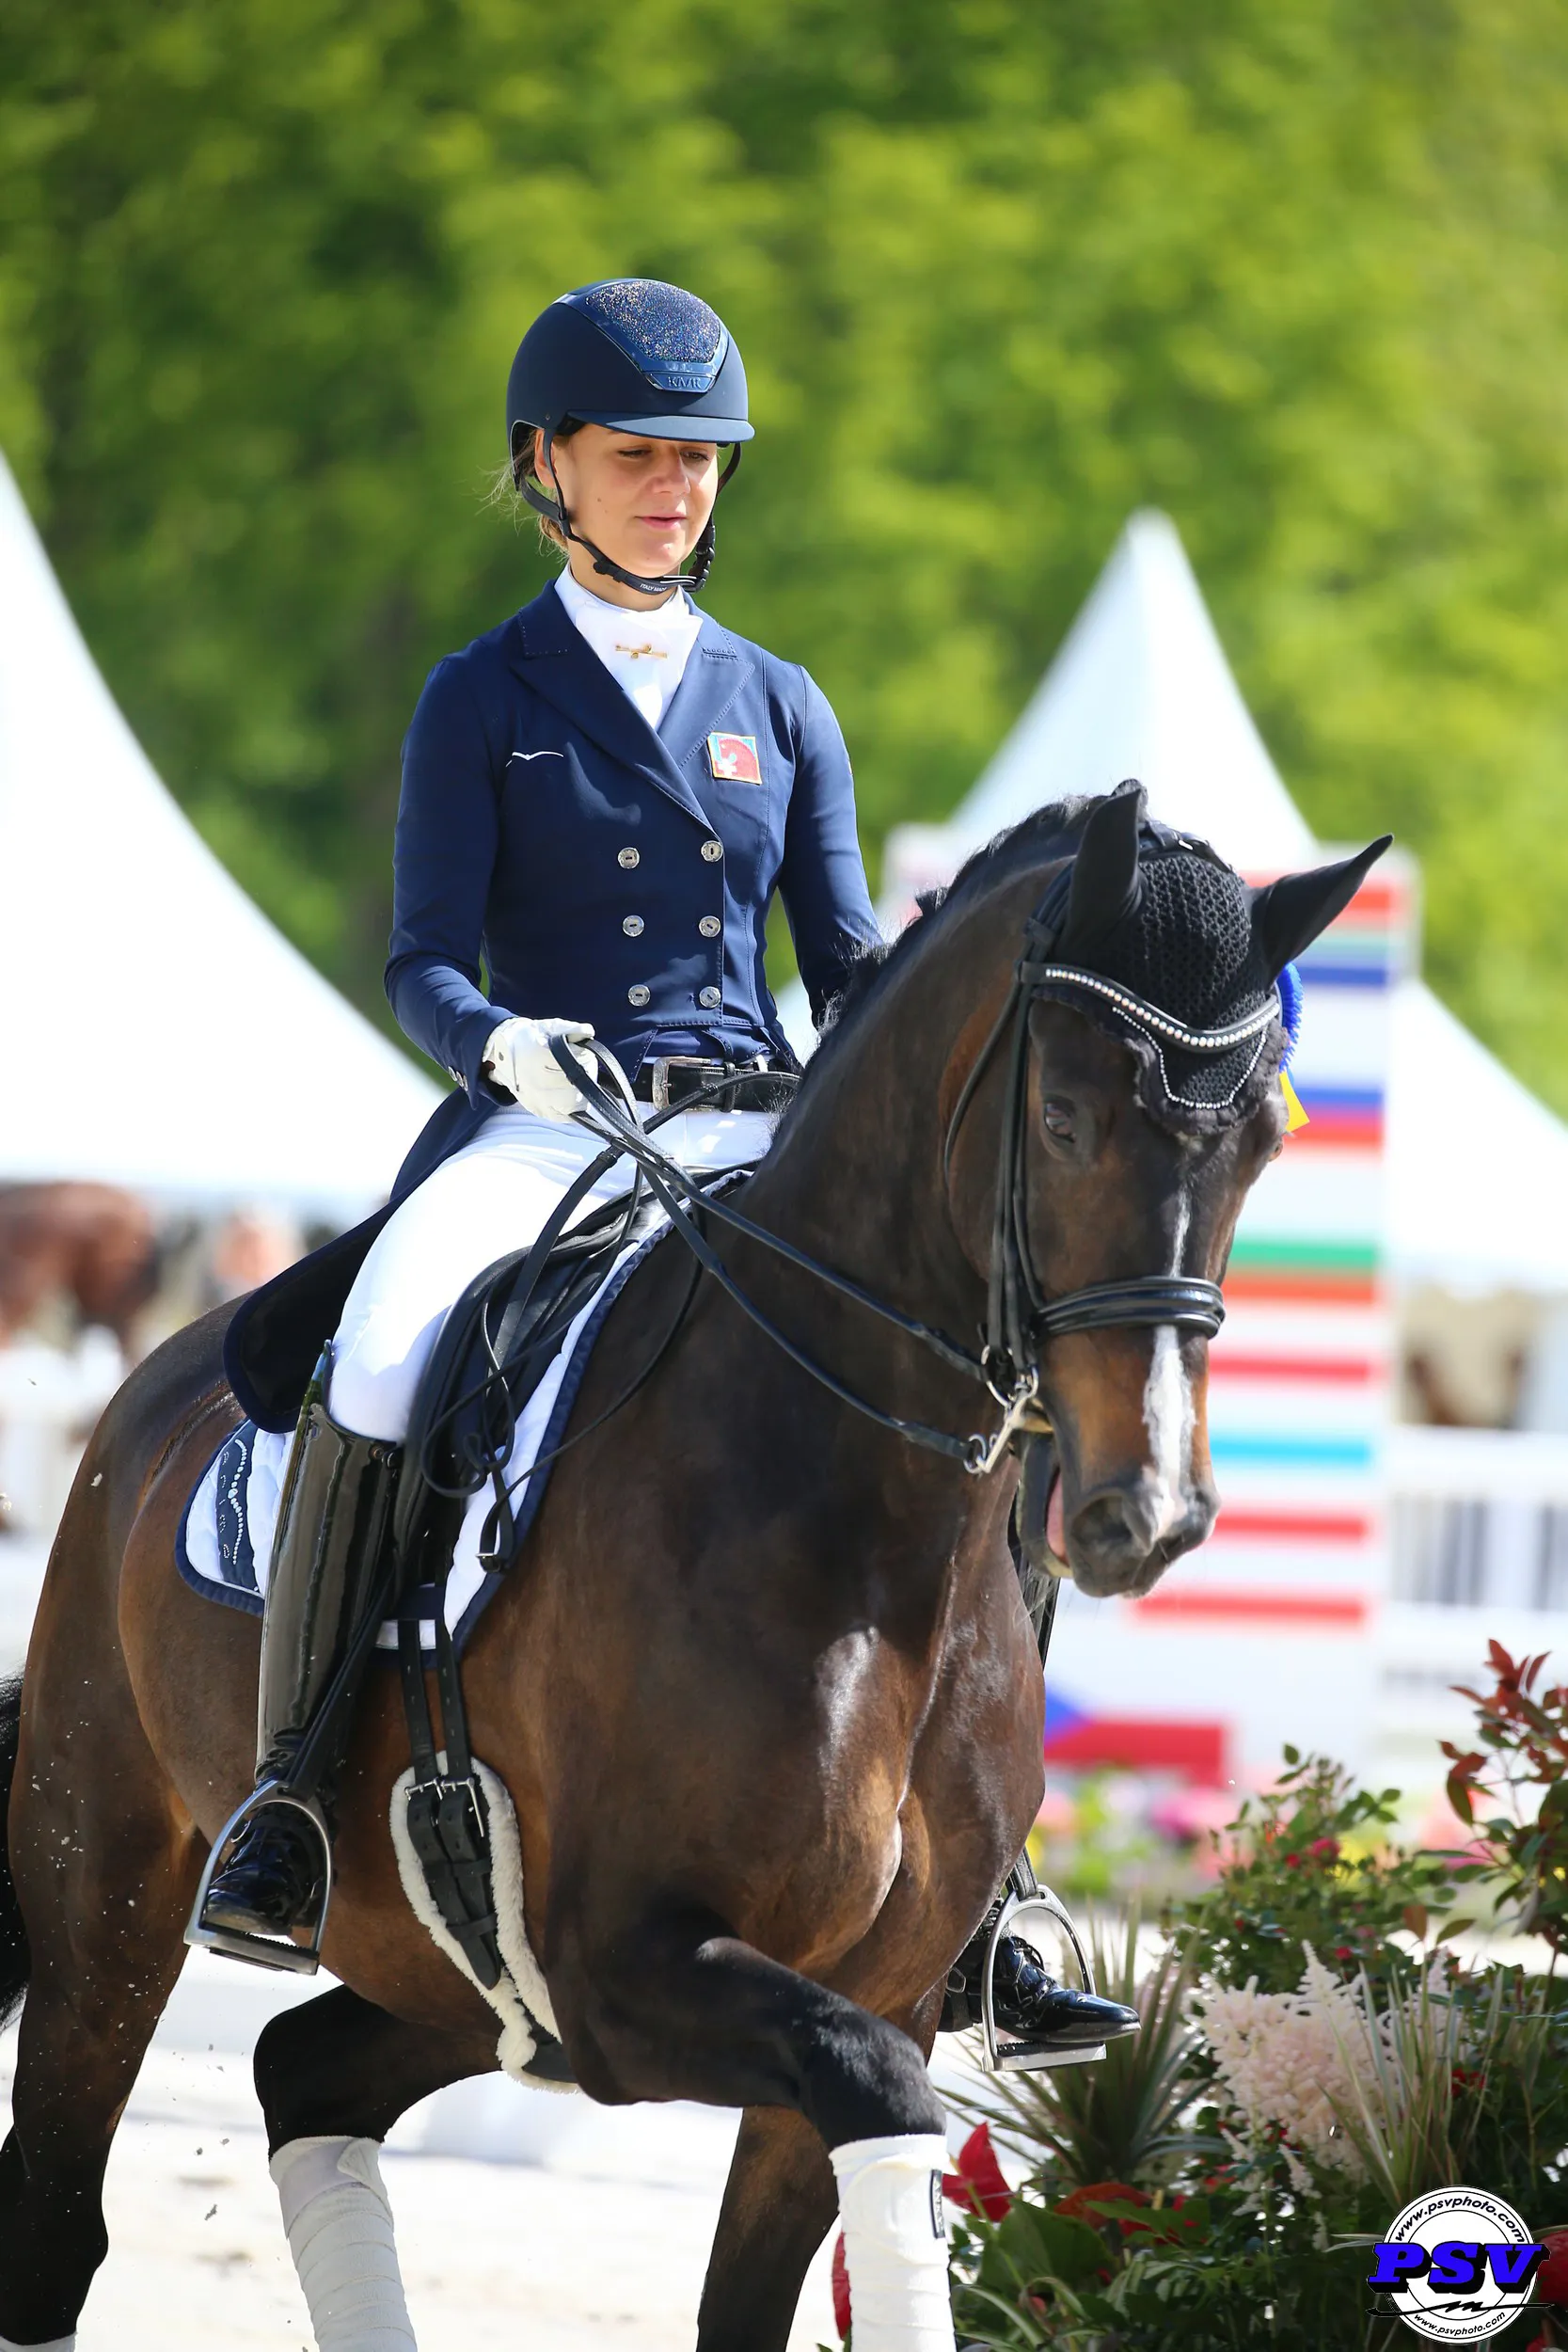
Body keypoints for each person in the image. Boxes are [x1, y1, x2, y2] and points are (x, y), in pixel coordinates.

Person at [198, 278, 1130, 2056]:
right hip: (537, 1116)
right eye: (636, 457)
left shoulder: (778, 702)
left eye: (698, 461)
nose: (674, 489)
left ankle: (986, 1891)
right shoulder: (481, 694)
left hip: (744, 1117)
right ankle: (294, 1793)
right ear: (544, 466)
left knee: (979, 1387)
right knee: (390, 1343)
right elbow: (420, 956)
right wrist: (494, 1042)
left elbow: (847, 961)